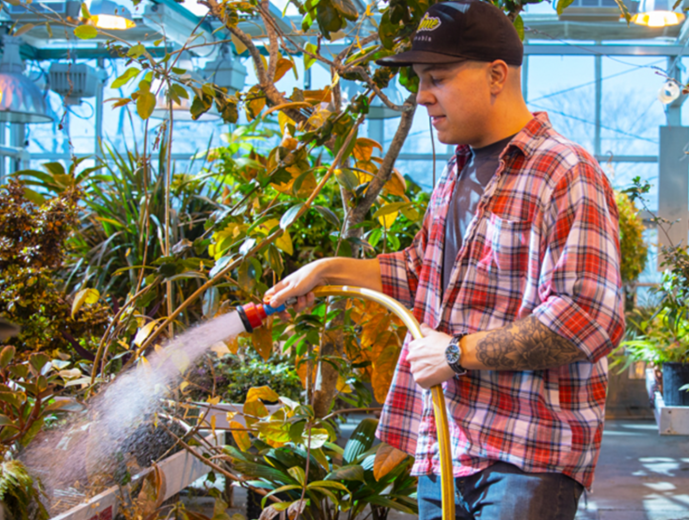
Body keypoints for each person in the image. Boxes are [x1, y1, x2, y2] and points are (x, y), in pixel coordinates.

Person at [263, 1, 625, 518]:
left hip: (525, 459)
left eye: (437, 77)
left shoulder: (564, 172)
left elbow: (589, 318)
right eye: (419, 79)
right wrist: (327, 270)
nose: (423, 96)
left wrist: (457, 353)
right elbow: (421, 273)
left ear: (497, 74)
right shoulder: (458, 172)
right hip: (448, 450)